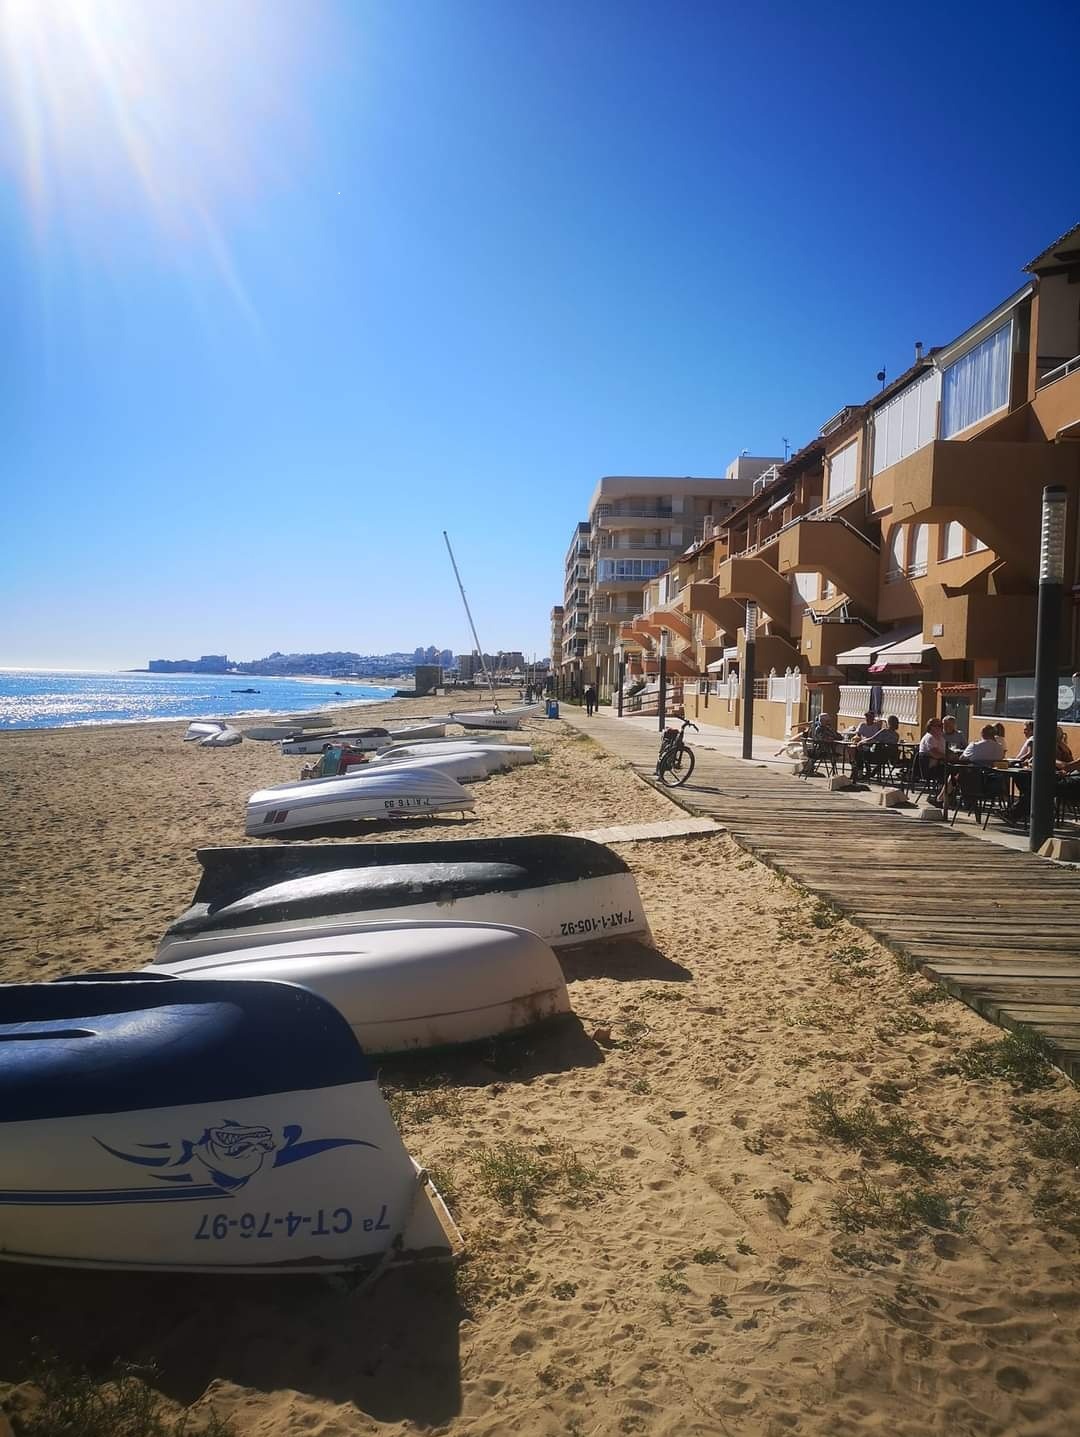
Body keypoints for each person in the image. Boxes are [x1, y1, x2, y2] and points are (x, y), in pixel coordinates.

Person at [850, 714, 900, 783]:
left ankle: (859, 772)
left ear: (888, 723)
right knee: (869, 752)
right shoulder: (896, 735)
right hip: (886, 758)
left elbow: (872, 739)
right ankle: (868, 772)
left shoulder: (884, 731)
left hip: (874, 756)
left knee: (859, 751)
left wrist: (861, 742)